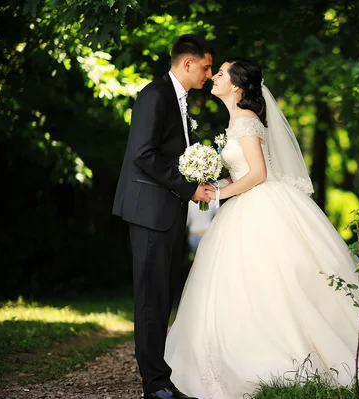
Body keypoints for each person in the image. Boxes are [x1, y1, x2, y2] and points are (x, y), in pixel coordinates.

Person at [164, 58, 359, 399]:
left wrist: (221, 191)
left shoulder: (247, 122)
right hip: (244, 204)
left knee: (272, 280)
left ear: (237, 85)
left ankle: (290, 356)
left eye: (220, 73)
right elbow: (243, 172)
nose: (214, 77)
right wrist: (215, 181)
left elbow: (258, 175)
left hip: (258, 206)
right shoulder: (237, 121)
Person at [112, 34, 214, 399]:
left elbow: (170, 153)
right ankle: (154, 385)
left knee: (163, 294)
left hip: (166, 210)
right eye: (206, 67)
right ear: (187, 64)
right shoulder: (155, 96)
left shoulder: (179, 99)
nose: (209, 74)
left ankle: (161, 376)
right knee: (150, 297)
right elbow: (142, 152)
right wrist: (188, 188)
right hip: (149, 210)